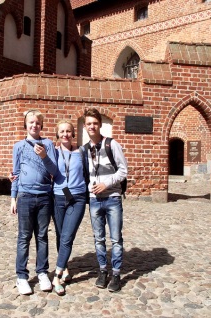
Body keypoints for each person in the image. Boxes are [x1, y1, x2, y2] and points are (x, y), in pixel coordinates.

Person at [10, 109, 58, 295]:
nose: (34, 125)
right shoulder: (19, 146)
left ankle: (42, 272)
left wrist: (44, 156)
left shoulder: (48, 144)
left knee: (42, 236)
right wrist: (13, 197)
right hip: (25, 196)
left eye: (37, 122)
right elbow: (15, 174)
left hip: (44, 196)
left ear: (41, 125)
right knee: (24, 237)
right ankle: (21, 276)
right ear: (26, 124)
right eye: (31, 122)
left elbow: (55, 170)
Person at [83, 108, 128, 292]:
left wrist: (106, 184)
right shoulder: (84, 150)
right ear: (85, 126)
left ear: (100, 125)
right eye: (89, 123)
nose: (92, 126)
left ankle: (116, 274)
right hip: (94, 200)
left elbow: (123, 171)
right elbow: (84, 175)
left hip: (112, 199)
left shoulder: (111, 144)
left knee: (116, 239)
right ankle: (103, 271)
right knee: (98, 239)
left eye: (95, 123)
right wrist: (90, 188)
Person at [51, 120, 88, 295]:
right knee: (60, 235)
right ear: (57, 134)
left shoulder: (81, 152)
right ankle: (64, 266)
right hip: (58, 197)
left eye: (68, 131)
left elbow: (90, 172)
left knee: (67, 236)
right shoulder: (53, 152)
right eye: (62, 131)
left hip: (77, 198)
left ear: (73, 134)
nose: (65, 134)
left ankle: (56, 276)